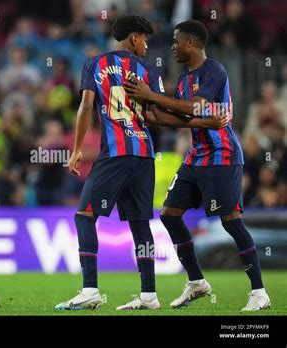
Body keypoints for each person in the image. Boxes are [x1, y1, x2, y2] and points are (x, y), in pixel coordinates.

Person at [55, 14, 228, 311]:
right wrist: (202, 121)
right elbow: (157, 114)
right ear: (134, 38)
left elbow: (85, 106)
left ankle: (90, 289)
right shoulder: (148, 70)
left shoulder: (93, 64)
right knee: (139, 224)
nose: (147, 44)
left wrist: (77, 149)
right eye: (145, 38)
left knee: (84, 215)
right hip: (145, 154)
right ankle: (149, 294)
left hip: (115, 153)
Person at [126, 20, 270, 311]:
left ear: (190, 43)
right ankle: (196, 282)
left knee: (231, 221)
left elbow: (197, 108)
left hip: (222, 155)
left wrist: (152, 97)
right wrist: (150, 114)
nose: (172, 47)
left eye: (176, 41)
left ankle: (259, 292)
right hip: (196, 156)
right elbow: (183, 119)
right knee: (169, 215)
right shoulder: (182, 81)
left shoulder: (214, 70)